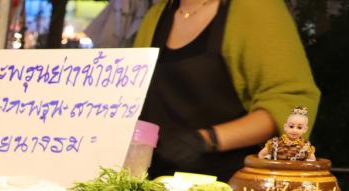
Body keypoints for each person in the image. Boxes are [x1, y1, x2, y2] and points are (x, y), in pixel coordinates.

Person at [134, 0, 320, 180]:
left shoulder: (256, 7)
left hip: (234, 185)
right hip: (155, 183)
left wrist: (208, 139)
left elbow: (291, 102)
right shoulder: (155, 17)